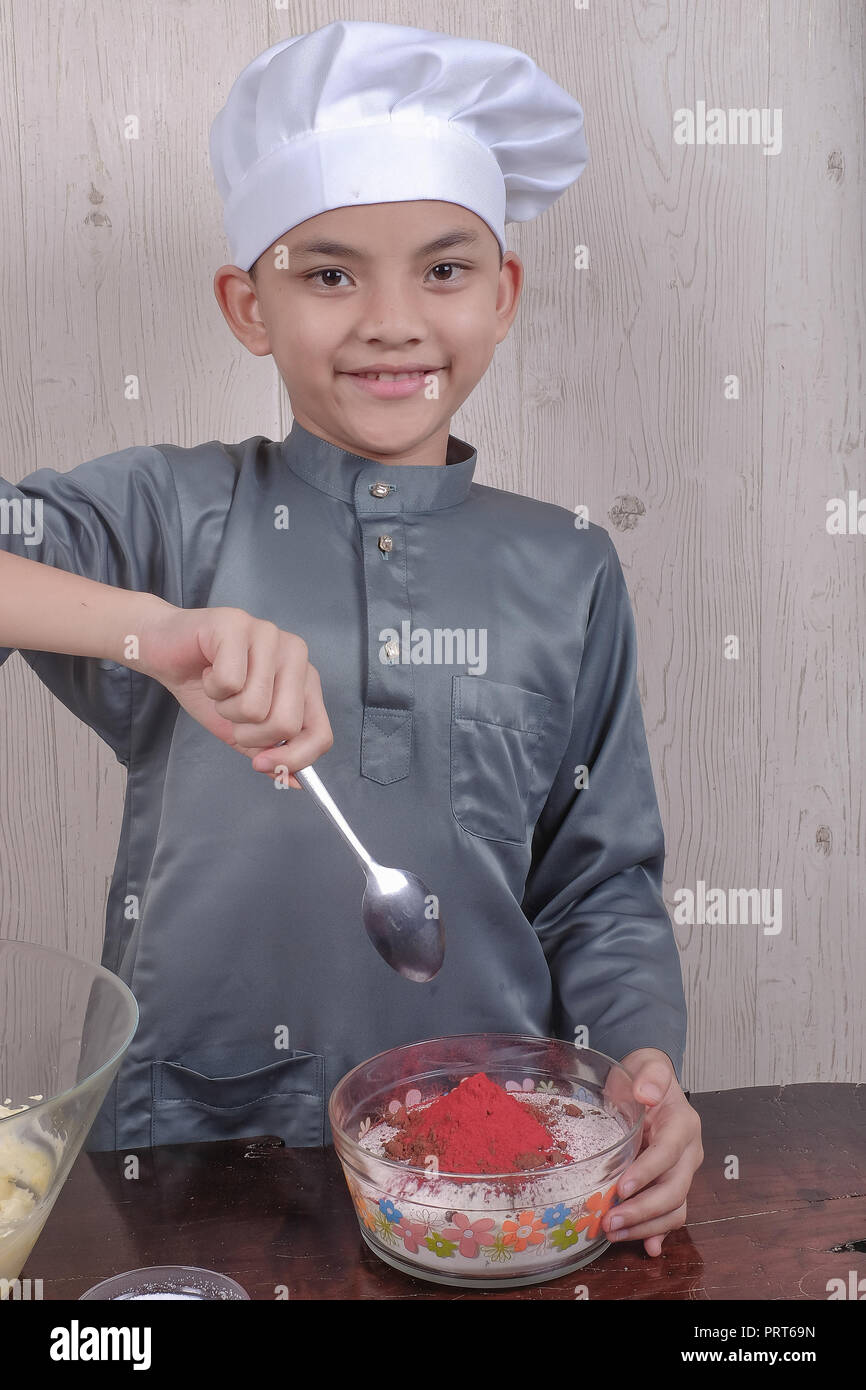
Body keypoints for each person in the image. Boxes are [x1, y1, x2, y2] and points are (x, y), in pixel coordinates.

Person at [0, 19, 702, 1257]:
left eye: (442, 270)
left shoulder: (568, 566)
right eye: (327, 274)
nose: (390, 320)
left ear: (503, 293)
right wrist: (150, 629)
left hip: (494, 1167)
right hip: (189, 1149)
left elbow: (598, 884)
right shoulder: (170, 514)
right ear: (247, 305)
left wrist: (641, 1067)